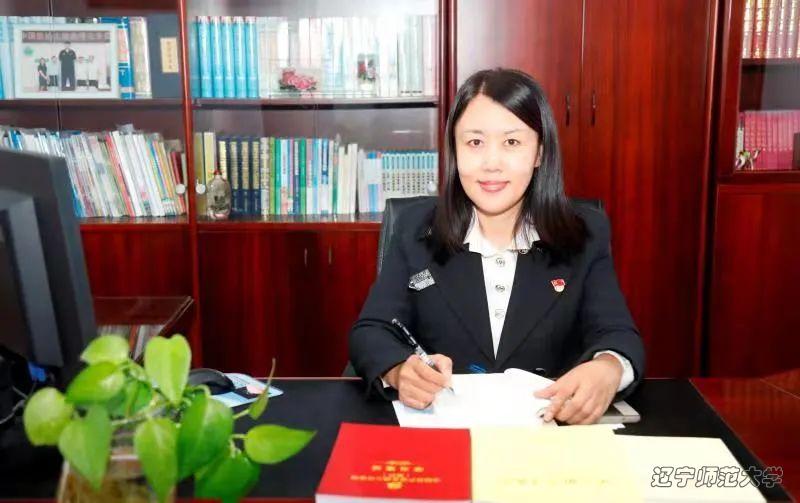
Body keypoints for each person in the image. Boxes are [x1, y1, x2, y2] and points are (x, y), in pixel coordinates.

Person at [349, 68, 645, 425]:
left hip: (547, 431)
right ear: (455, 151)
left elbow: (617, 333)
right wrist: (398, 370)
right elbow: (372, 330)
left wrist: (609, 367)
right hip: (444, 430)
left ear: (539, 153)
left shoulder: (585, 233)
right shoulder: (416, 228)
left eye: (512, 143)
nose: (491, 164)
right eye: (475, 143)